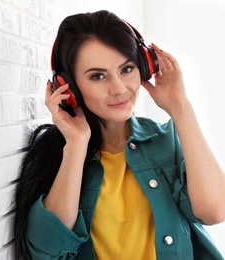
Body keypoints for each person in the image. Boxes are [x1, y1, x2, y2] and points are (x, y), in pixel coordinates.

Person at [13, 9, 225, 260]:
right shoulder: (58, 156)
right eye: (98, 76)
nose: (119, 88)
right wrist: (76, 144)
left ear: (145, 66)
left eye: (127, 69)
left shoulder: (167, 140)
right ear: (68, 87)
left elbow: (215, 211)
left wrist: (180, 107)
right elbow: (46, 249)